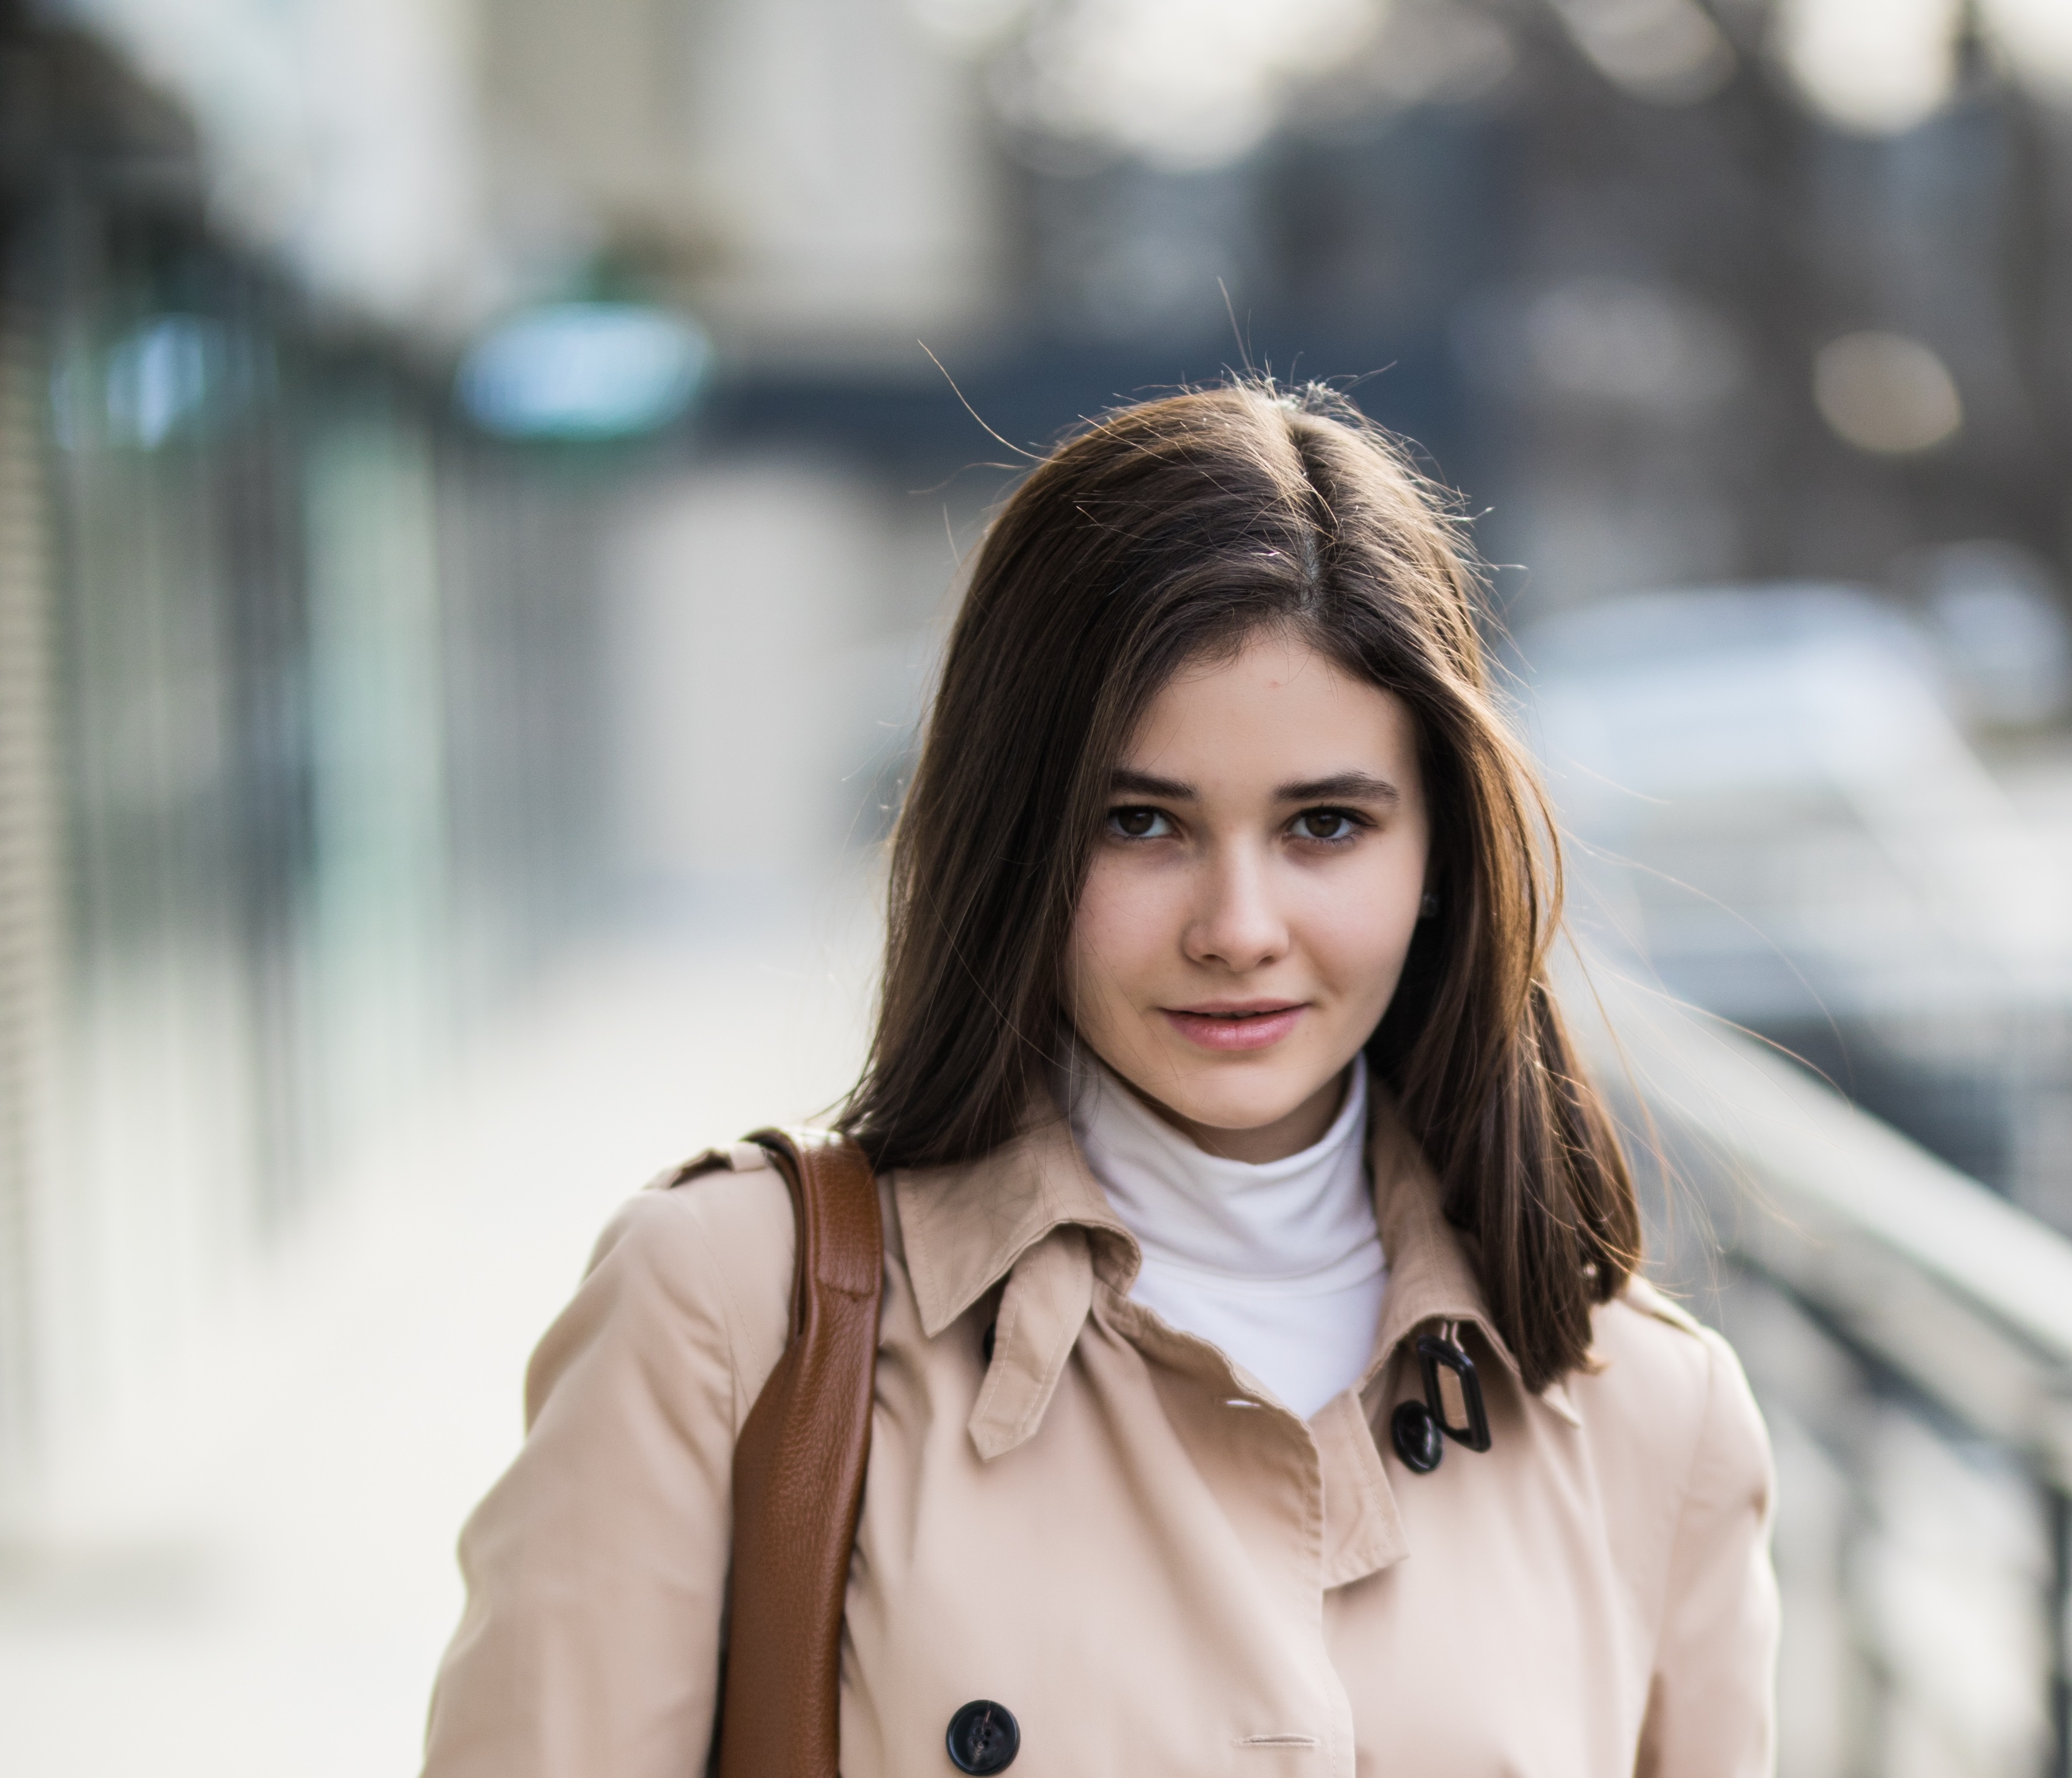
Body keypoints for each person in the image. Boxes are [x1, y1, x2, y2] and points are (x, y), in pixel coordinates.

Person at [421, 382, 1777, 1777]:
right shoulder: (732, 1310)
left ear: (1438, 859)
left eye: (1324, 825)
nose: (1238, 928)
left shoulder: (1650, 1418)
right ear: (1015, 840)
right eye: (1141, 823)